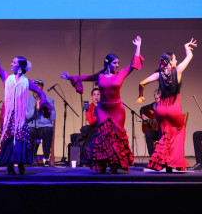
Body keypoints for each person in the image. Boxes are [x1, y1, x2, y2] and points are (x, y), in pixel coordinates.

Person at [60, 36, 143, 173]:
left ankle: (115, 165)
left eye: (118, 63)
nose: (117, 65)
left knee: (116, 137)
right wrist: (69, 77)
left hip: (117, 110)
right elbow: (85, 78)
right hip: (103, 109)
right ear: (108, 63)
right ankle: (102, 165)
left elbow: (133, 65)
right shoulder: (100, 76)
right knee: (103, 136)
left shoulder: (121, 74)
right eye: (115, 63)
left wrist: (138, 46)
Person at [0, 39, 51, 175]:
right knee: (9, 138)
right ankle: (9, 165)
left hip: (20, 117)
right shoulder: (6, 77)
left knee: (20, 138)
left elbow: (41, 92)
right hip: (8, 114)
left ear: (20, 67)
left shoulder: (27, 82)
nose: (11, 64)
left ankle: (21, 165)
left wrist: (43, 104)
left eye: (14, 62)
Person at [136, 38, 197, 172]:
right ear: (170, 62)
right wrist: (186, 46)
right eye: (175, 59)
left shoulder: (158, 74)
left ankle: (163, 163)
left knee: (165, 134)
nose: (176, 61)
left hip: (161, 109)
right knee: (179, 132)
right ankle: (173, 162)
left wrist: (141, 96)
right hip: (174, 107)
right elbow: (190, 56)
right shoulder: (178, 70)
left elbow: (141, 83)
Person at [26, 79, 56, 167]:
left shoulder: (49, 100)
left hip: (44, 126)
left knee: (47, 130)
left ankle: (46, 158)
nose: (37, 88)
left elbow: (53, 117)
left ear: (42, 88)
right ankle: (31, 158)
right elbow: (26, 117)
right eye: (34, 86)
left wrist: (44, 108)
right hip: (32, 126)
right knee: (30, 131)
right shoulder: (27, 100)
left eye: (39, 86)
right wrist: (36, 109)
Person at [139, 88, 161, 156]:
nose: (158, 101)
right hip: (156, 131)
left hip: (165, 132)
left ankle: (162, 157)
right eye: (156, 99)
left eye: (159, 98)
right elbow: (142, 108)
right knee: (148, 133)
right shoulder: (153, 106)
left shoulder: (168, 106)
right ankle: (152, 156)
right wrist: (143, 115)